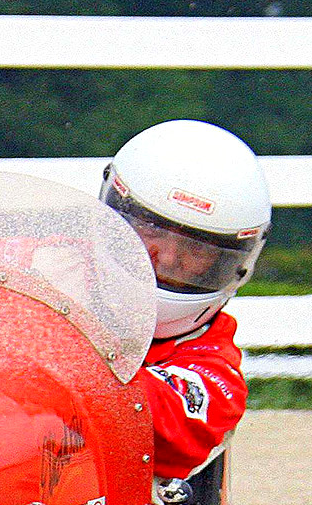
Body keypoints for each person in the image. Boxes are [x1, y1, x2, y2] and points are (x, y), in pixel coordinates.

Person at [100, 120, 271, 480]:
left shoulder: (214, 372)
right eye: (150, 228)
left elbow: (161, 419)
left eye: (196, 246)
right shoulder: (30, 265)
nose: (168, 257)